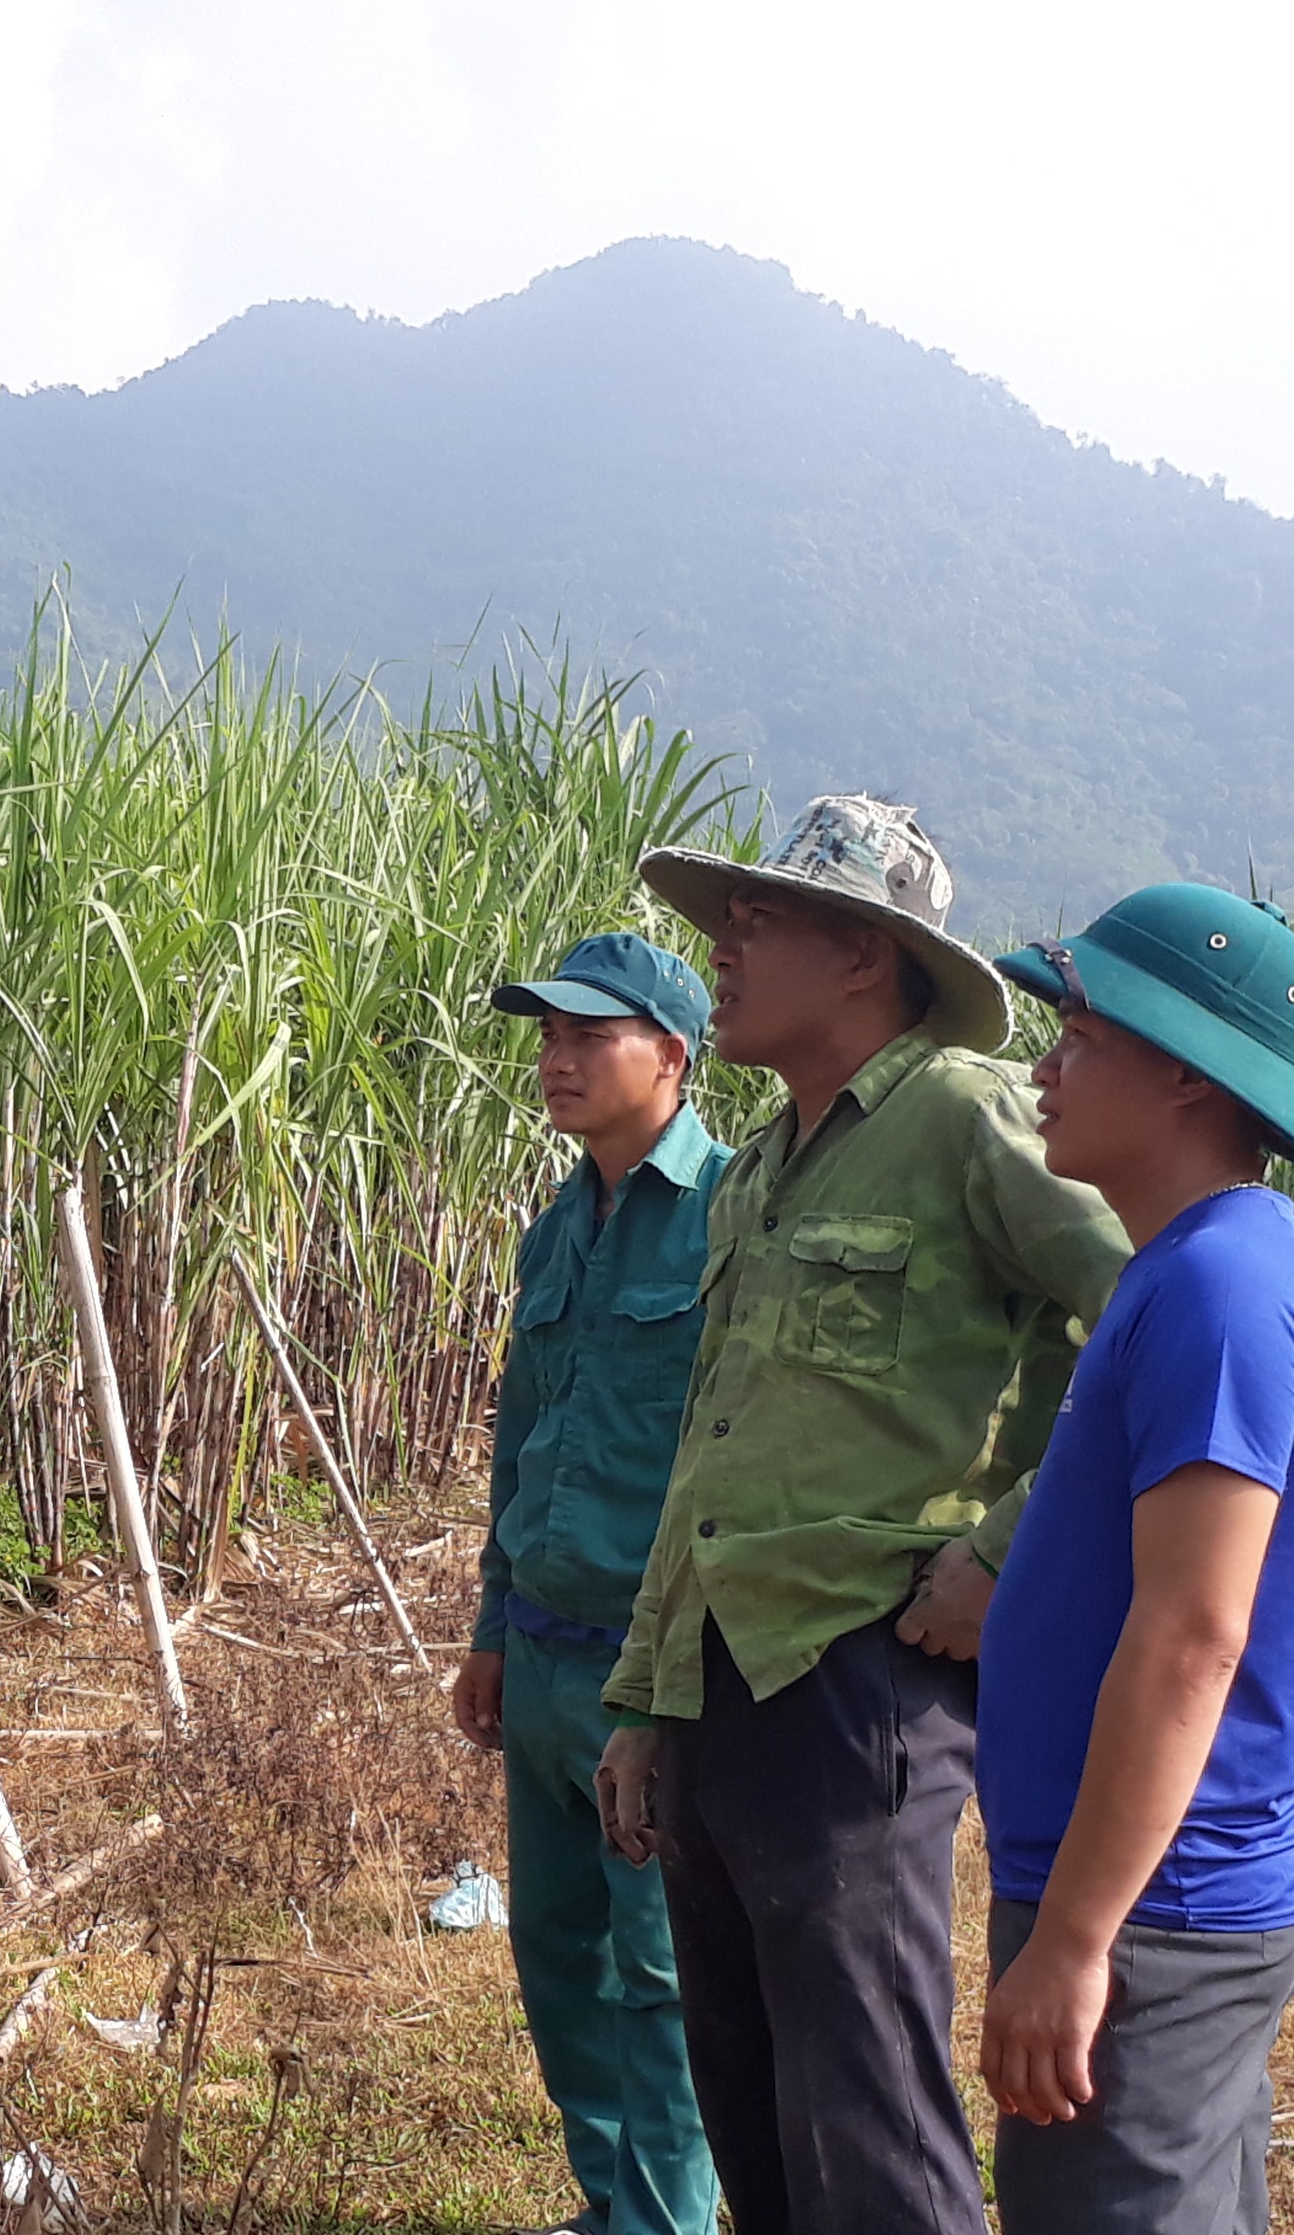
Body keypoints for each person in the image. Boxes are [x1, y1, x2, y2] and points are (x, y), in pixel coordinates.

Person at [588, 794, 1131, 2235]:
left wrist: (1010, 1550)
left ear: (867, 960)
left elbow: (1150, 1323)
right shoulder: (759, 1170)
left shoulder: (964, 1118)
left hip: (856, 1681)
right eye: (725, 920)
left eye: (764, 920)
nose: (725, 945)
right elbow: (710, 1450)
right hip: (725, 1686)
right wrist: (645, 1697)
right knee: (758, 2124)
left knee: (869, 2133)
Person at [970, 883, 1294, 2235]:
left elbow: (1194, 1636)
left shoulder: (1221, 1291)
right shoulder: (1183, 1268)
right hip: (1147, 1895)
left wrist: (1077, 1940)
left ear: (1188, 1074)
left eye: (1080, 1031)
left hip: (1154, 1910)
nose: (1044, 1062)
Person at [461, 934, 731, 2235]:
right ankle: (611, 2202)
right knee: (559, 1960)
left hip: (647, 1665)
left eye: (590, 1038)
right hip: (545, 1659)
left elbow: (731, 1467)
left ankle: (667, 2220)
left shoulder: (734, 1217)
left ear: (672, 1057)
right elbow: (522, 1437)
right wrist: (491, 1627)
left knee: (657, 1972)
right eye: (547, 1040)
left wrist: (674, 1679)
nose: (557, 1062)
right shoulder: (557, 1228)